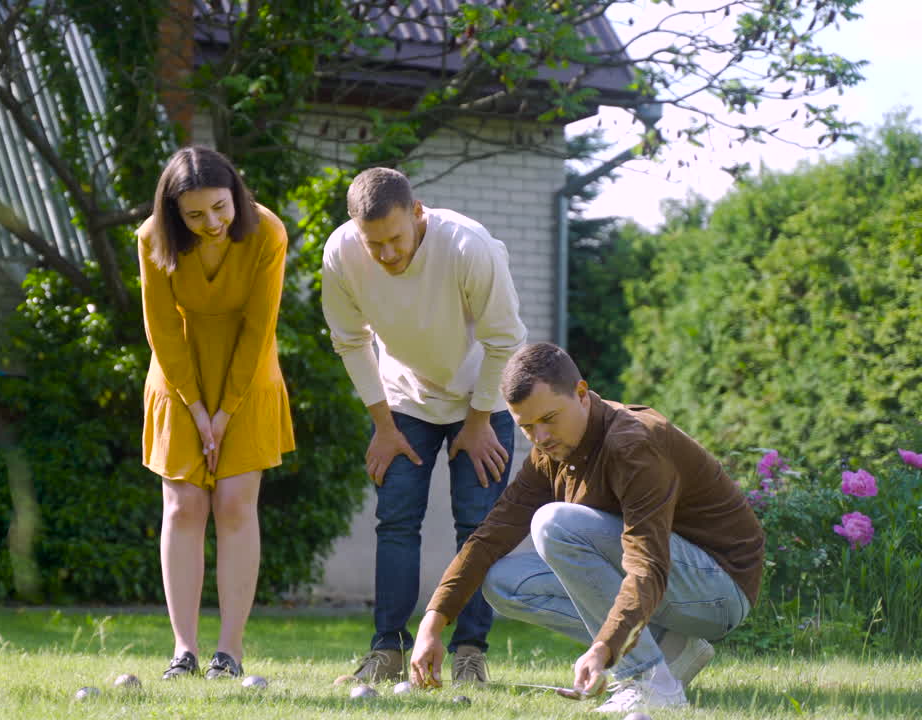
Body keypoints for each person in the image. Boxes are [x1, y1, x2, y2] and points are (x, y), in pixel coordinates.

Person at [409, 342, 765, 713]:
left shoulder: (632, 445)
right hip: (672, 585)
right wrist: (433, 621)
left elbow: (648, 567)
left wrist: (605, 648)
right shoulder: (552, 452)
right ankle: (669, 648)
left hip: (721, 590)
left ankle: (650, 680)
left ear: (581, 394)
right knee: (501, 582)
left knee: (554, 524)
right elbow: (492, 534)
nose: (540, 437)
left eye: (548, 419)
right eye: (527, 426)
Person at [321, 167, 527, 684]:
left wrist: (478, 421)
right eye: (375, 244)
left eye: (395, 239)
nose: (387, 254)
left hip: (481, 395)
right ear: (355, 230)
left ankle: (470, 654)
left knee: (478, 528)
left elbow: (505, 340)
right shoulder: (342, 252)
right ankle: (387, 650)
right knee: (395, 522)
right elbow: (350, 341)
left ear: (418, 213)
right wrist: (382, 424)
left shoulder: (467, 247)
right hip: (404, 402)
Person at [137, 146, 295, 680]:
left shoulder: (268, 233)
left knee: (233, 503)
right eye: (196, 215)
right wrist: (196, 407)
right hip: (178, 374)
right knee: (182, 505)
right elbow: (160, 329)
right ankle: (184, 650)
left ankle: (229, 652)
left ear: (237, 196)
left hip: (248, 374)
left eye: (221, 209)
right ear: (175, 212)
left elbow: (259, 328)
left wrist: (224, 412)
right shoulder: (152, 238)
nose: (212, 223)